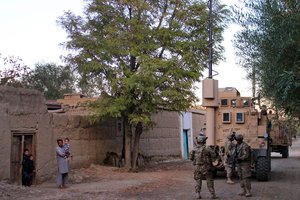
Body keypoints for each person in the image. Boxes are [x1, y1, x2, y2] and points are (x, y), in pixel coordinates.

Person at [190, 133, 217, 199]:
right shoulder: (208, 148)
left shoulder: (194, 149)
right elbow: (214, 155)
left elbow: (191, 158)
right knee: (209, 180)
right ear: (204, 141)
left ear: (198, 141)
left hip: (197, 167)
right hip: (207, 167)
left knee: (198, 180)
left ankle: (198, 194)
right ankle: (212, 194)